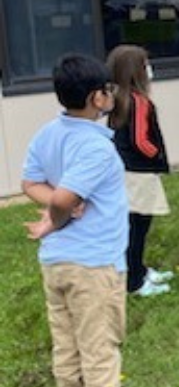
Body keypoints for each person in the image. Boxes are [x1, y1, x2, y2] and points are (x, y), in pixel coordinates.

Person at [21, 54, 128, 387]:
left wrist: (53, 208)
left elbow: (30, 183)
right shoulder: (95, 147)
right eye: (108, 89)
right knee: (99, 354)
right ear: (97, 98)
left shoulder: (48, 134)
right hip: (93, 265)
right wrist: (57, 213)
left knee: (66, 352)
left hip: (56, 263)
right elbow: (67, 198)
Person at [106, 45, 173, 297]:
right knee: (138, 227)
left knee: (131, 226)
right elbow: (140, 140)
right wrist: (155, 154)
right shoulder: (139, 101)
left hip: (124, 170)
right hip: (140, 172)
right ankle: (134, 282)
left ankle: (138, 270)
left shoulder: (116, 99)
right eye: (145, 64)